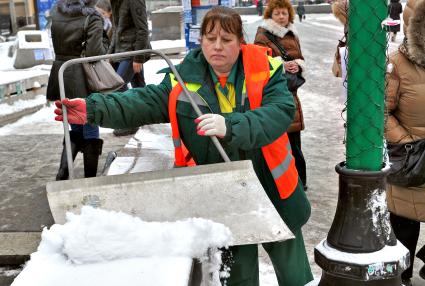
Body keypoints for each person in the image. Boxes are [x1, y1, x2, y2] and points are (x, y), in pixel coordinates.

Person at [54, 6, 313, 286]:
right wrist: (93, 109)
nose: (217, 47)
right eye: (210, 38)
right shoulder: (183, 78)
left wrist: (230, 126)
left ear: (241, 42)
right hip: (226, 193)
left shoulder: (266, 68)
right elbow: (144, 101)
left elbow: (279, 112)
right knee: (238, 276)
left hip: (272, 187)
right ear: (200, 41)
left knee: (295, 275)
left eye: (226, 40)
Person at [385, 0, 425, 285]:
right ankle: (402, 277)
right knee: (404, 230)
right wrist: (407, 141)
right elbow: (380, 111)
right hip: (412, 160)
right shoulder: (398, 62)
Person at [46, 0, 108, 180]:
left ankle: (63, 173)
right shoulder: (92, 16)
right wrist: (105, 38)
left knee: (74, 122)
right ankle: (89, 178)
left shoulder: (57, 12)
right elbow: (95, 52)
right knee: (89, 121)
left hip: (61, 71)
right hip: (82, 74)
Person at [254, 0, 308, 190]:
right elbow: (258, 63)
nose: (281, 17)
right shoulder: (263, 35)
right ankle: (285, 182)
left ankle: (300, 181)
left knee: (294, 143)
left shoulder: (292, 33)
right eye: (277, 14)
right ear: (270, 15)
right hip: (274, 94)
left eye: (284, 13)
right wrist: (281, 65)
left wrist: (297, 65)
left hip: (291, 92)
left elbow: (300, 57)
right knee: (279, 142)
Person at [109, 0, 151, 136]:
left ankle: (132, 122)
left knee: (118, 85)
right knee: (139, 86)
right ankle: (147, 114)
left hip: (132, 51)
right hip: (121, 51)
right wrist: (110, 53)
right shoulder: (116, 2)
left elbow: (143, 30)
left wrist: (138, 57)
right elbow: (116, 29)